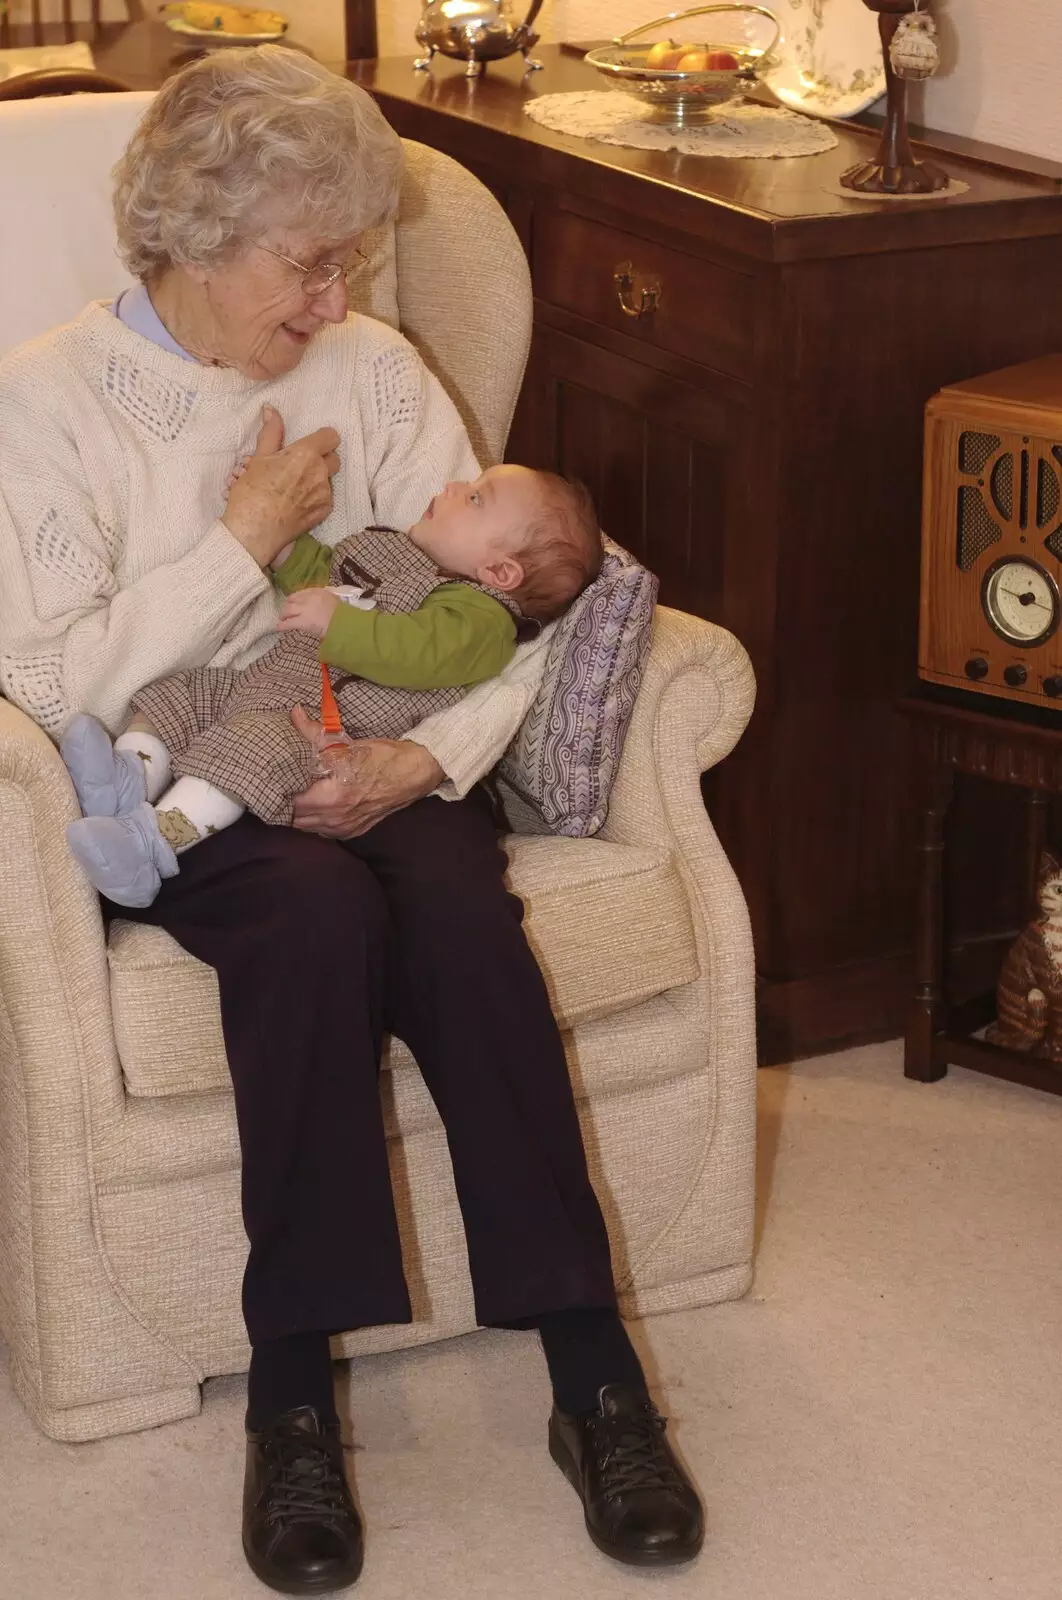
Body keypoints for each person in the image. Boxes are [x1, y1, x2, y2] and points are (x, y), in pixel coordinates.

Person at [0, 45, 703, 1594]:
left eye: (347, 265)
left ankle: (594, 1381)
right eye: (306, 266)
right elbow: (43, 682)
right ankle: (295, 1401)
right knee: (315, 925)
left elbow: (495, 621)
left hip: (380, 754)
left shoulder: (375, 371)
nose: (334, 305)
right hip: (191, 780)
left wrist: (426, 765)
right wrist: (237, 552)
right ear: (188, 228)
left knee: (456, 912)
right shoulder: (45, 403)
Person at [60, 461, 602, 906]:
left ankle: (152, 844)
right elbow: (326, 573)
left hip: (321, 727)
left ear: (500, 574)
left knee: (247, 753)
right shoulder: (393, 551)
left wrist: (336, 624)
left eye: (477, 499)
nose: (454, 484)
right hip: (266, 683)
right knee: (180, 696)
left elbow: (414, 651)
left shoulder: (481, 621)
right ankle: (130, 773)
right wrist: (282, 549)